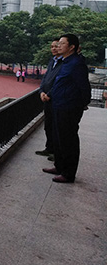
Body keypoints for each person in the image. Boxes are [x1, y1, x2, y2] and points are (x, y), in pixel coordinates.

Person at [42, 34, 91, 184]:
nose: (58, 46)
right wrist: (49, 94)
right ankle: (59, 166)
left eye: (62, 43)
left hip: (69, 107)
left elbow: (84, 87)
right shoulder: (65, 62)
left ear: (71, 47)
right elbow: (60, 83)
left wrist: (80, 105)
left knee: (68, 140)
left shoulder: (77, 64)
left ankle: (69, 173)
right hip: (57, 105)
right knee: (58, 138)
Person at [36, 39, 62, 159]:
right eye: (52, 46)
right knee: (48, 125)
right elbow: (46, 78)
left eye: (56, 46)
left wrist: (49, 94)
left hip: (56, 99)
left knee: (57, 127)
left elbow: (60, 82)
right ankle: (49, 148)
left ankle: (57, 153)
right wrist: (41, 91)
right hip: (46, 98)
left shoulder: (64, 63)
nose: (54, 49)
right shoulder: (52, 61)